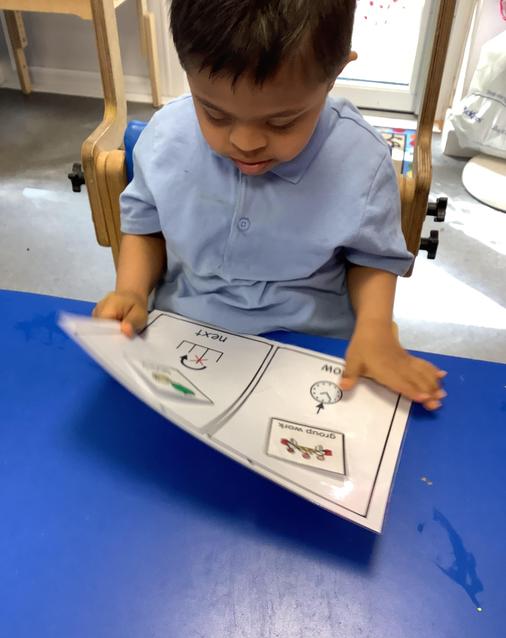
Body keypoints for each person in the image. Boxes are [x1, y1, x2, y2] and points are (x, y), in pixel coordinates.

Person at [93, 0, 446, 410]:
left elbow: (371, 257)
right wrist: (132, 291)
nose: (245, 143)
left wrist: (375, 329)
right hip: (183, 333)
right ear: (186, 69)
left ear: (333, 75)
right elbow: (145, 225)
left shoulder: (361, 159)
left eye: (281, 122)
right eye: (214, 114)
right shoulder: (166, 137)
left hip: (314, 345)